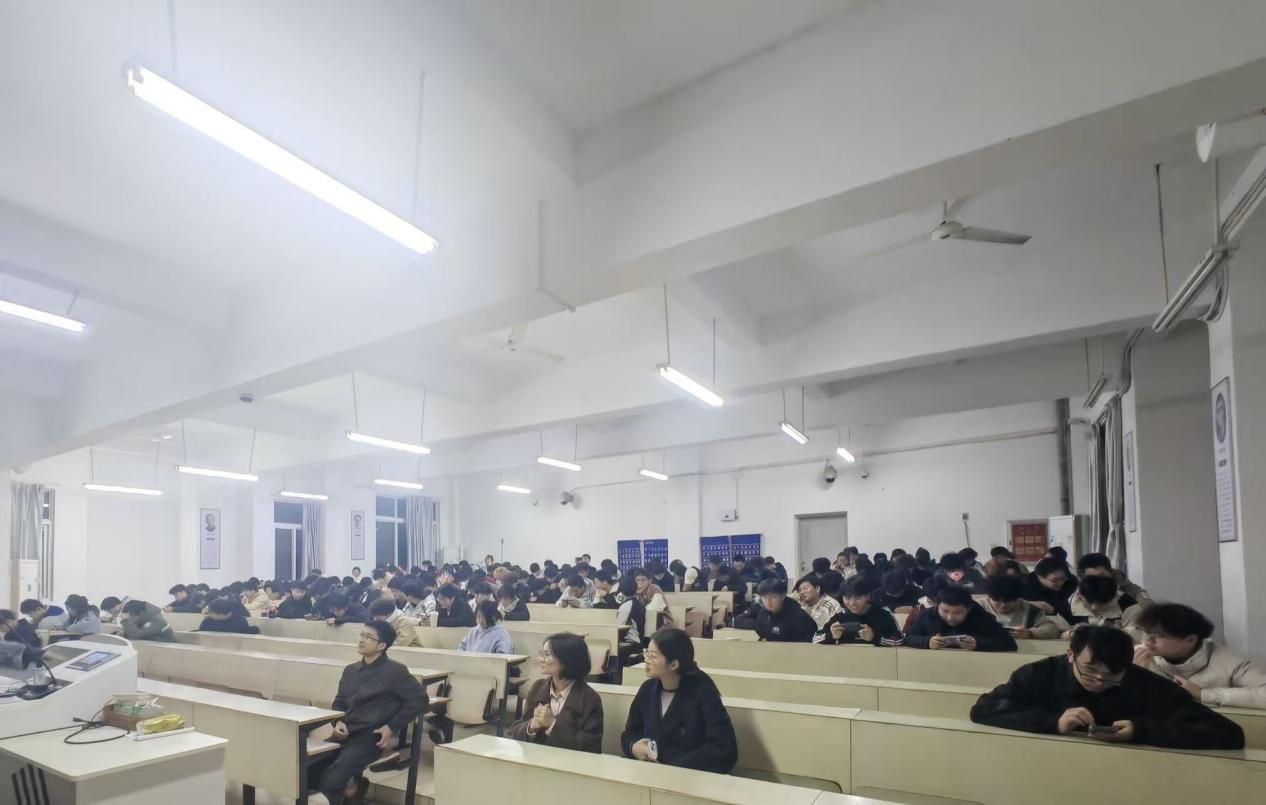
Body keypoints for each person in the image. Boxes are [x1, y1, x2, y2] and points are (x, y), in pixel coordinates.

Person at [970, 626, 1244, 750]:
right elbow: (984, 709)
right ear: (1070, 655)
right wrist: (1053, 722)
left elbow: (1228, 733)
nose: (1100, 681)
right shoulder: (1039, 674)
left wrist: (1140, 730)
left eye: (1113, 675)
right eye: (1090, 671)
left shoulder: (1147, 684)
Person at [312, 621, 427, 804]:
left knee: (331, 781)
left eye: (368, 637)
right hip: (345, 734)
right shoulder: (350, 670)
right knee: (308, 770)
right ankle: (353, 790)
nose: (362, 640)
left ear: (382, 645)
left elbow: (420, 699)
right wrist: (338, 722)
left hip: (370, 738)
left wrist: (391, 726)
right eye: (362, 635)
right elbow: (339, 702)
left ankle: (351, 792)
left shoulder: (395, 671)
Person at [621, 628, 737, 773]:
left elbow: (724, 749)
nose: (646, 660)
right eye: (646, 653)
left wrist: (674, 766)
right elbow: (630, 733)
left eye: (653, 656)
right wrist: (633, 747)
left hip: (690, 777)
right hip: (651, 774)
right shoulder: (647, 689)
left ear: (673, 664)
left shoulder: (703, 692)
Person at [1134, 603, 1266, 709]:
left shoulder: (1229, 662)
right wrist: (1135, 676)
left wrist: (1203, 694)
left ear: (1191, 639)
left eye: (1158, 636)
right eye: (1146, 633)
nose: (1147, 640)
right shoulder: (1136, 656)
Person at [510, 632, 603, 751]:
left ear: (566, 661)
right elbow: (516, 730)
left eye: (547, 654)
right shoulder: (538, 687)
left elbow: (591, 747)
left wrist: (552, 725)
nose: (541, 659)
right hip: (536, 758)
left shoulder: (590, 698)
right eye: (541, 653)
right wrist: (532, 725)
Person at [905, 586, 1017, 651]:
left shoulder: (981, 617)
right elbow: (908, 638)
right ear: (938, 606)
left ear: (968, 609)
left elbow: (1009, 643)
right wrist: (927, 642)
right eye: (945, 611)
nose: (950, 617)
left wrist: (978, 644)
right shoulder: (927, 615)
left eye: (957, 613)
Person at [815, 576, 904, 646]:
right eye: (847, 598)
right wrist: (831, 636)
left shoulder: (883, 615)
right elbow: (815, 638)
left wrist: (874, 637)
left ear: (868, 596)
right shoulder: (840, 616)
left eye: (858, 598)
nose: (852, 603)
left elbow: (900, 641)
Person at [974, 575, 1063, 639]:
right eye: (997, 600)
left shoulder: (1031, 610)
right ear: (990, 596)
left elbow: (1052, 629)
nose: (1003, 604)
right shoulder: (976, 606)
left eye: (1008, 601)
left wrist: (1029, 633)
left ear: (1017, 598)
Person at [1066, 575, 1144, 639]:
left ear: (1115, 597)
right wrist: (1072, 633)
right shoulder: (1067, 603)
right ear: (1079, 595)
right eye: (1089, 602)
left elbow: (1140, 635)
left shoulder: (1128, 604)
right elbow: (1060, 632)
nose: (1094, 608)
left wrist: (1114, 631)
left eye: (1102, 603)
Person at [1077, 552, 1150, 603]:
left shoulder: (1133, 592)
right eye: (1091, 579)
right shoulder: (1077, 599)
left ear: (1111, 573)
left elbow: (1149, 610)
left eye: (1101, 576)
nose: (1097, 581)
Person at [1021, 557, 1076, 623]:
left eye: (1063, 578)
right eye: (1055, 580)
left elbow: (1072, 618)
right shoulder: (1025, 588)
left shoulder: (1069, 584)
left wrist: (1052, 611)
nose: (1061, 583)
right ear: (1040, 577)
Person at [611, 575, 648, 661]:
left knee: (610, 648)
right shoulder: (637, 603)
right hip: (637, 642)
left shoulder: (627, 605)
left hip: (632, 643)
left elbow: (619, 628)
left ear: (621, 590)